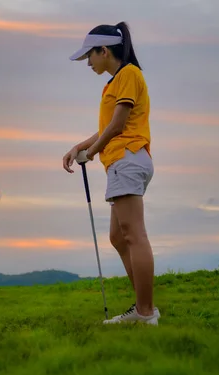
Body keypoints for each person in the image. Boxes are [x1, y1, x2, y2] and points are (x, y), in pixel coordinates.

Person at [63, 22, 160, 325]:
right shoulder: (116, 82)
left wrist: (90, 154)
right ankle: (143, 306)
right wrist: (80, 145)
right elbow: (109, 126)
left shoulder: (129, 74)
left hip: (127, 159)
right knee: (118, 236)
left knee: (133, 234)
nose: (88, 63)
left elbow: (117, 126)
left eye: (90, 56)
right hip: (122, 162)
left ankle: (145, 312)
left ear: (104, 50)